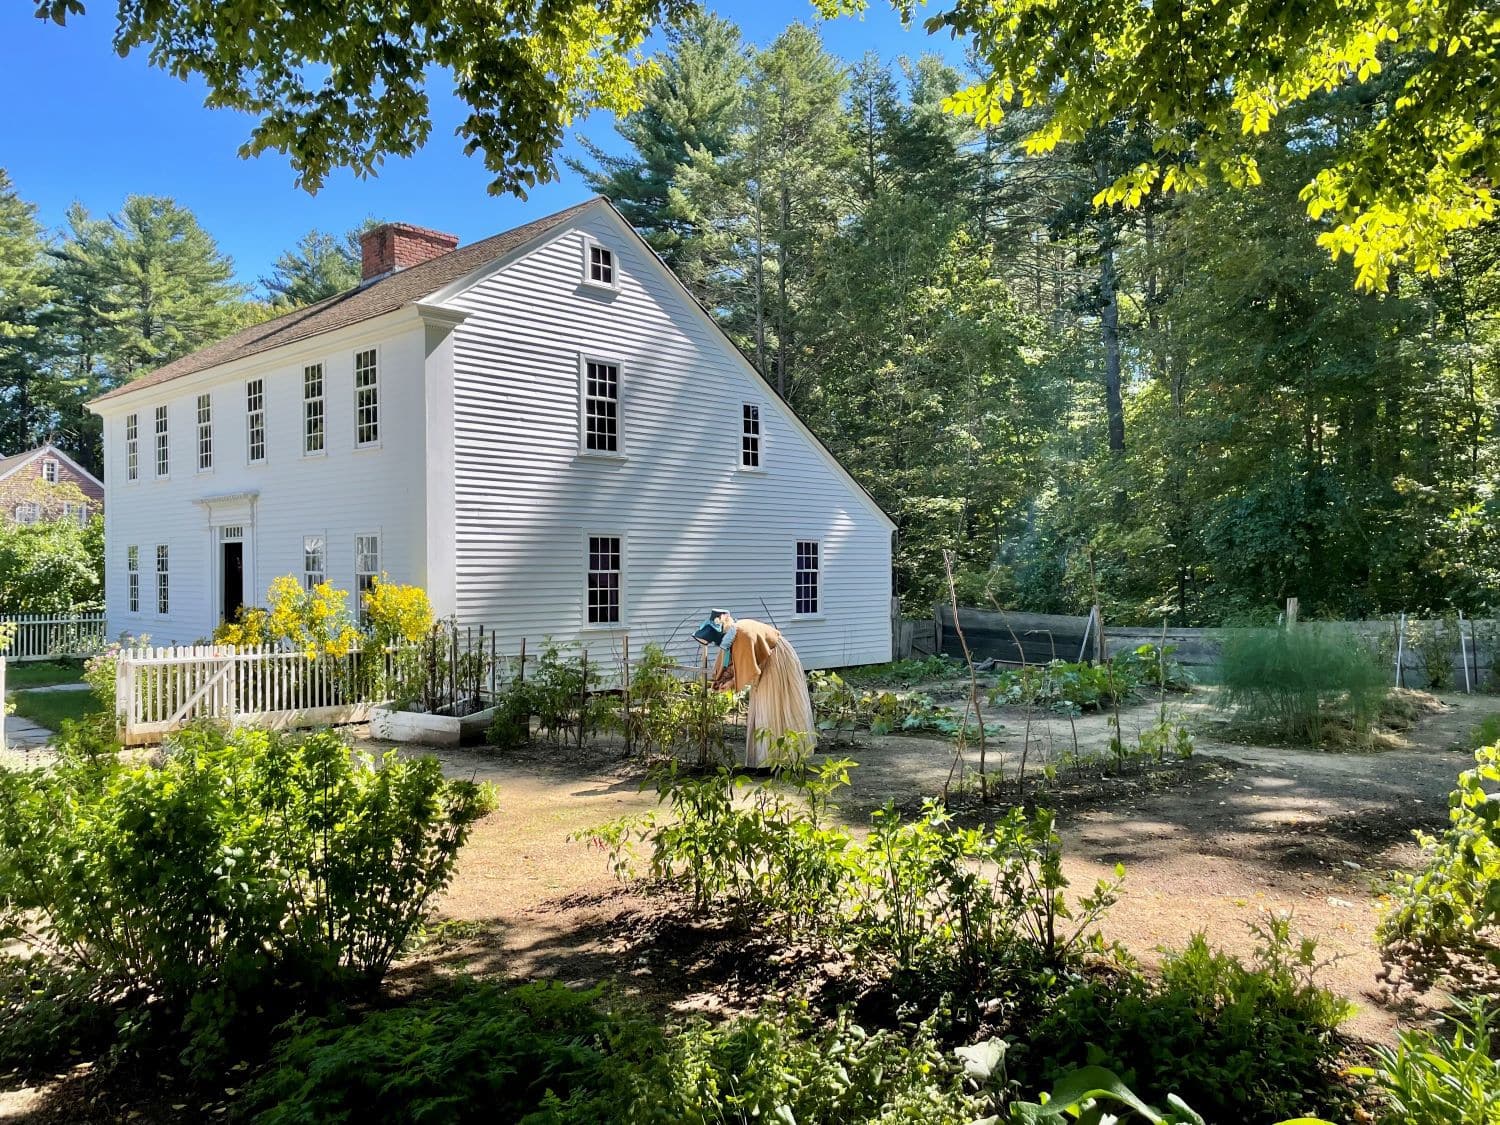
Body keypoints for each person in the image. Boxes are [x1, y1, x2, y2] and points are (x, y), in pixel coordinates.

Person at [693, 609, 815, 768]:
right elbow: (730, 662)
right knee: (761, 708)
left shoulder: (742, 634)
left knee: (771, 707)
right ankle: (765, 760)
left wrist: (731, 683)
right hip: (765, 662)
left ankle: (778, 760)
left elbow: (750, 667)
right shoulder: (732, 636)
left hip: (775, 661)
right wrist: (721, 680)